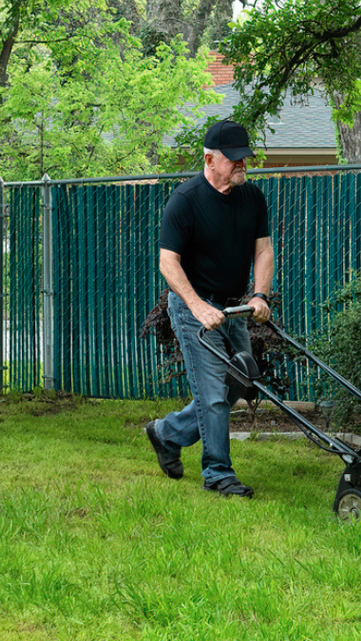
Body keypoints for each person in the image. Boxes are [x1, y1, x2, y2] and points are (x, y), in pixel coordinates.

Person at [145, 119, 273, 498]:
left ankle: (167, 433)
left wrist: (260, 295)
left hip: (234, 307)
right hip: (192, 308)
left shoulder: (252, 197)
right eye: (233, 160)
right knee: (214, 391)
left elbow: (263, 249)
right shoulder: (186, 200)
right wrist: (197, 306)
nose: (241, 165)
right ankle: (218, 473)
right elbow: (168, 262)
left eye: (244, 158)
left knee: (241, 381)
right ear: (209, 159)